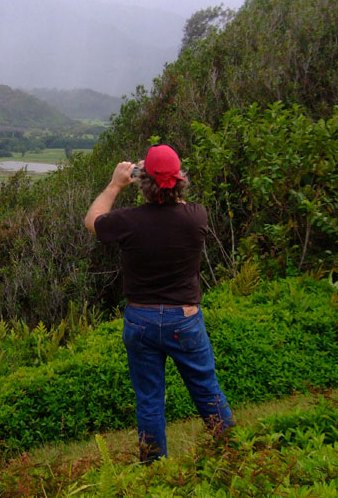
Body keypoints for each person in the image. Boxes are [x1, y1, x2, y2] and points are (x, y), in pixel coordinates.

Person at [83, 144, 234, 463]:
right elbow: (173, 203)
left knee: (150, 400)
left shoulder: (128, 221)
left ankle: (155, 472)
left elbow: (93, 219)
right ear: (180, 181)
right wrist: (160, 177)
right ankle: (233, 452)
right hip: (185, 319)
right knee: (207, 390)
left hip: (141, 321)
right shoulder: (196, 216)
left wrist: (116, 183)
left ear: (143, 182)